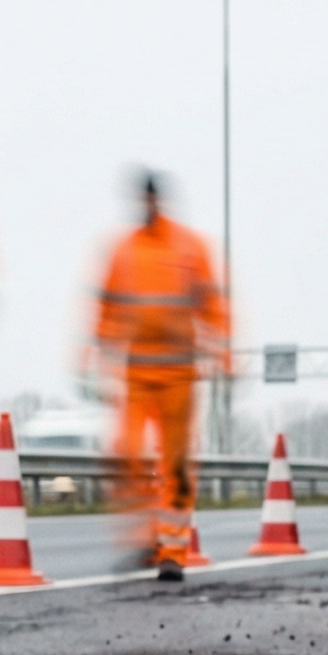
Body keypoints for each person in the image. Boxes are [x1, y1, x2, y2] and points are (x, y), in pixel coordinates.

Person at [91, 173, 227, 581]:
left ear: (158, 200)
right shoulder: (124, 251)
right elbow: (107, 306)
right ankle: (144, 539)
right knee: (126, 454)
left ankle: (172, 551)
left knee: (177, 465)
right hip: (136, 374)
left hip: (179, 376)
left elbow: (212, 304)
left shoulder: (189, 247)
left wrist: (224, 352)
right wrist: (93, 355)